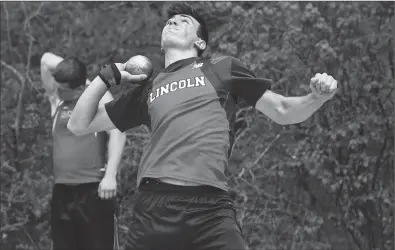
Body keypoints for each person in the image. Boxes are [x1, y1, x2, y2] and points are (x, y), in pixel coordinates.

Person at [67, 3, 338, 250]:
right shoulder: (148, 89)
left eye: (183, 20)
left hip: (211, 209)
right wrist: (107, 76)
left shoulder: (220, 68)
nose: (172, 22)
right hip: (155, 208)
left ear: (199, 41)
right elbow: (79, 124)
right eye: (169, 21)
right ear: (161, 44)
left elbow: (282, 110)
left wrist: (317, 97)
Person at [40, 52, 126, 250]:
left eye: (64, 89)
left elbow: (118, 131)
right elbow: (45, 60)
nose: (57, 91)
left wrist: (111, 176)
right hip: (62, 192)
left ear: (79, 88)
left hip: (93, 191)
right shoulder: (57, 102)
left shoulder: (97, 102)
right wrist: (76, 75)